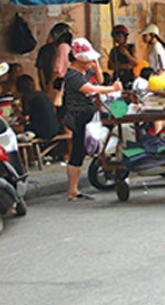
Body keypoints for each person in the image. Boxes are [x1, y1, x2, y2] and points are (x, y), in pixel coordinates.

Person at [62, 37, 122, 201]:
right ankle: (72, 190)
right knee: (78, 151)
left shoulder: (84, 71)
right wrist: (113, 88)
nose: (90, 61)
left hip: (89, 113)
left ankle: (74, 190)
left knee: (81, 150)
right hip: (78, 115)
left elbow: (100, 80)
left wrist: (96, 66)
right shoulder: (72, 75)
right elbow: (91, 88)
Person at [15, 74, 60, 141]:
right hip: (55, 129)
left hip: (42, 130)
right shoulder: (42, 95)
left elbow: (25, 118)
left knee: (13, 128)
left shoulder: (27, 97)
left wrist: (19, 111)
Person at [36, 22, 73, 93]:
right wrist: (45, 87)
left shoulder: (67, 48)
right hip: (51, 85)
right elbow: (40, 70)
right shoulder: (45, 50)